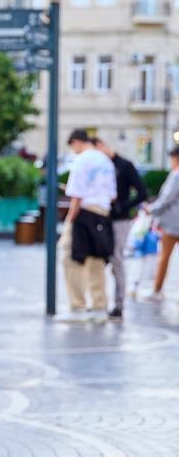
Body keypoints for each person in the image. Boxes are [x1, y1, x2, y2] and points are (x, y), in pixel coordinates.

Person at [59, 129, 116, 323]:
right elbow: (112, 194)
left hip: (84, 212)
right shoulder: (105, 161)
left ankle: (78, 306)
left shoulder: (82, 160)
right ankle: (99, 306)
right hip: (103, 213)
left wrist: (70, 219)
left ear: (76, 142)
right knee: (96, 260)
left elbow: (76, 195)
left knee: (71, 257)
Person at [92, 137, 147, 319]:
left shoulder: (124, 165)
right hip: (101, 219)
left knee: (117, 260)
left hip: (119, 220)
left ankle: (119, 304)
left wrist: (122, 206)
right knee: (98, 260)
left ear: (101, 146)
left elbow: (142, 193)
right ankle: (100, 301)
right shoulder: (100, 167)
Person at [144, 145, 179, 301]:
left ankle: (157, 290)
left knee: (164, 257)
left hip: (173, 223)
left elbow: (166, 198)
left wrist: (151, 209)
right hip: (173, 221)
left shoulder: (176, 175)